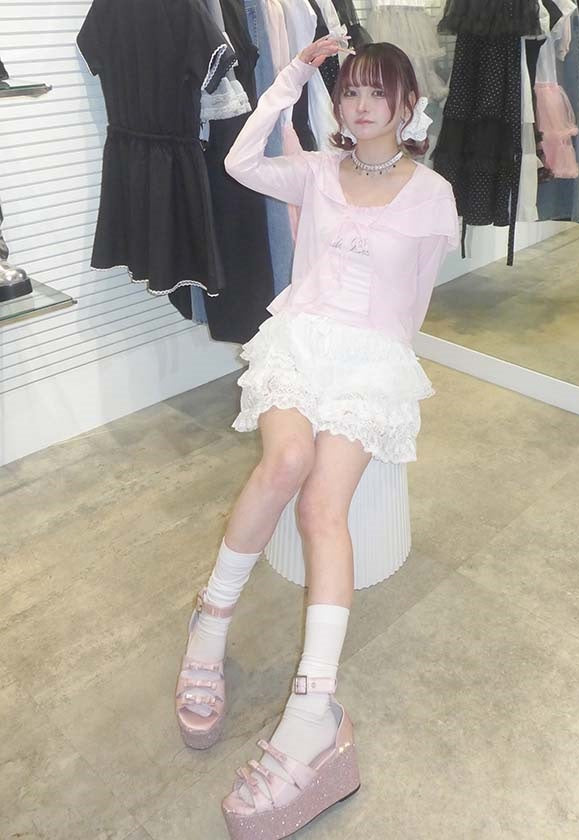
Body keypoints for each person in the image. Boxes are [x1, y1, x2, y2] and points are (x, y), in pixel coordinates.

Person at [174, 35, 459, 839]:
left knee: (323, 509)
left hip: (370, 358)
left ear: (408, 106)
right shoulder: (316, 171)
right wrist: (292, 76)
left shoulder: (433, 194)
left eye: (378, 93)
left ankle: (314, 707)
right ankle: (210, 624)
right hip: (301, 340)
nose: (360, 105)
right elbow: (238, 161)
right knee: (288, 460)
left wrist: (379, 377)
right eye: (350, 91)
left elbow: (414, 305)